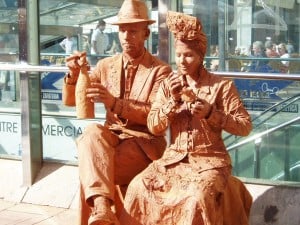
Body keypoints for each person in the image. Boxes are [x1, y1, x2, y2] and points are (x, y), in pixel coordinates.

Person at [120, 11, 252, 225]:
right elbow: (154, 126)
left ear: (201, 57)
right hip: (174, 158)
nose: (182, 61)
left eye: (189, 55)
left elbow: (244, 126)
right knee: (138, 185)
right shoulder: (168, 85)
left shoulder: (221, 86)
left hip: (211, 161)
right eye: (179, 55)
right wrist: (171, 102)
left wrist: (212, 113)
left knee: (197, 198)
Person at [62, 0, 172, 224]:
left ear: (145, 33)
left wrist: (114, 103)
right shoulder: (105, 65)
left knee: (93, 171)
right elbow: (72, 101)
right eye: (122, 30)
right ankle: (103, 208)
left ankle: (102, 207)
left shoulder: (161, 70)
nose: (126, 36)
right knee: (91, 132)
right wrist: (74, 75)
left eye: (132, 31)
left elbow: (154, 116)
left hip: (145, 143)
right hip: (112, 138)